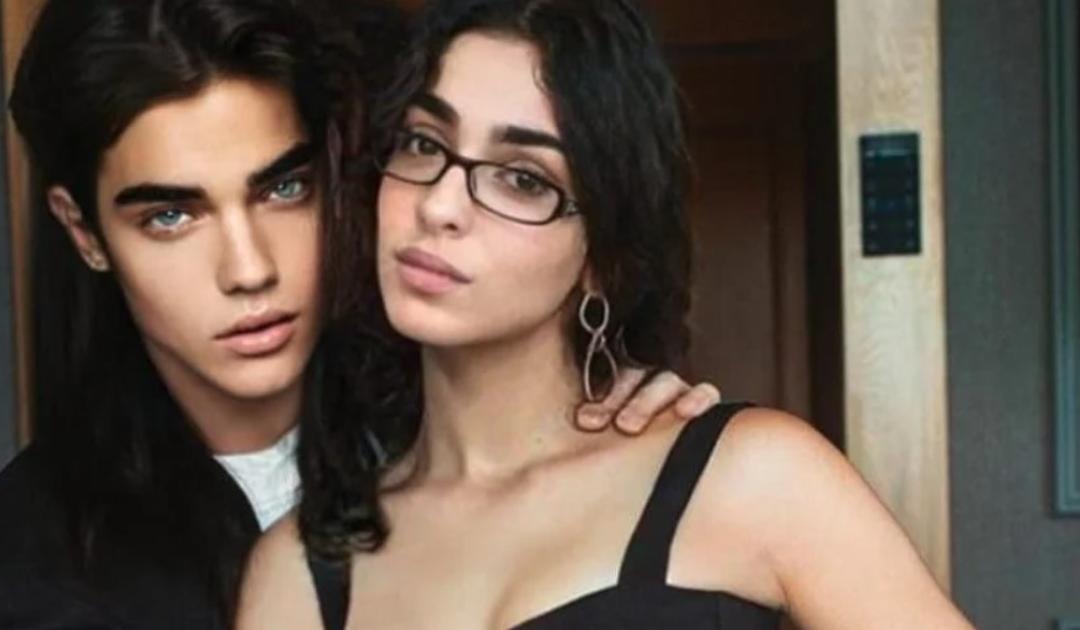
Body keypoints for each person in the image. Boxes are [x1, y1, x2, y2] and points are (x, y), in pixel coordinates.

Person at [0, 1, 719, 628]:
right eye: (171, 216)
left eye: (283, 189)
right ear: (84, 232)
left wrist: (624, 435)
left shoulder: (460, 419)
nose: (249, 270)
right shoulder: (8, 570)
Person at [237, 1, 977, 628]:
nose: (440, 204)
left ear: (603, 253)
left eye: (523, 179)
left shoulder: (751, 477)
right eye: (424, 143)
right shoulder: (300, 573)